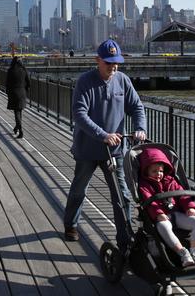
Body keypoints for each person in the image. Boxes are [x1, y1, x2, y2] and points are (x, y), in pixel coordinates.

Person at [63, 39, 147, 252]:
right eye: (108, 62)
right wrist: (102, 135)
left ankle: (124, 239)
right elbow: (79, 113)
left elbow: (136, 106)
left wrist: (140, 127)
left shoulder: (123, 80)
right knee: (79, 190)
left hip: (116, 150)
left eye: (116, 62)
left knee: (123, 195)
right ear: (97, 60)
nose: (113, 66)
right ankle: (71, 225)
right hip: (88, 149)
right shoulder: (85, 81)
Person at [138, 147, 195, 266]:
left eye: (160, 171)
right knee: (164, 227)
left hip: (177, 213)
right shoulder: (145, 185)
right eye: (154, 171)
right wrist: (159, 213)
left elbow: (183, 197)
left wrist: (189, 207)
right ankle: (183, 253)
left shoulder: (171, 181)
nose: (158, 174)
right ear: (146, 171)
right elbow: (150, 201)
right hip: (162, 217)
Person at [5, 57, 30, 139]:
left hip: (13, 93)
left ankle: (20, 130)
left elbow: (7, 83)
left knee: (17, 112)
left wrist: (8, 92)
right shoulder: (24, 70)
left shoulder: (10, 70)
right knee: (19, 111)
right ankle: (17, 127)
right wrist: (25, 90)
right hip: (22, 93)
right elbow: (28, 83)